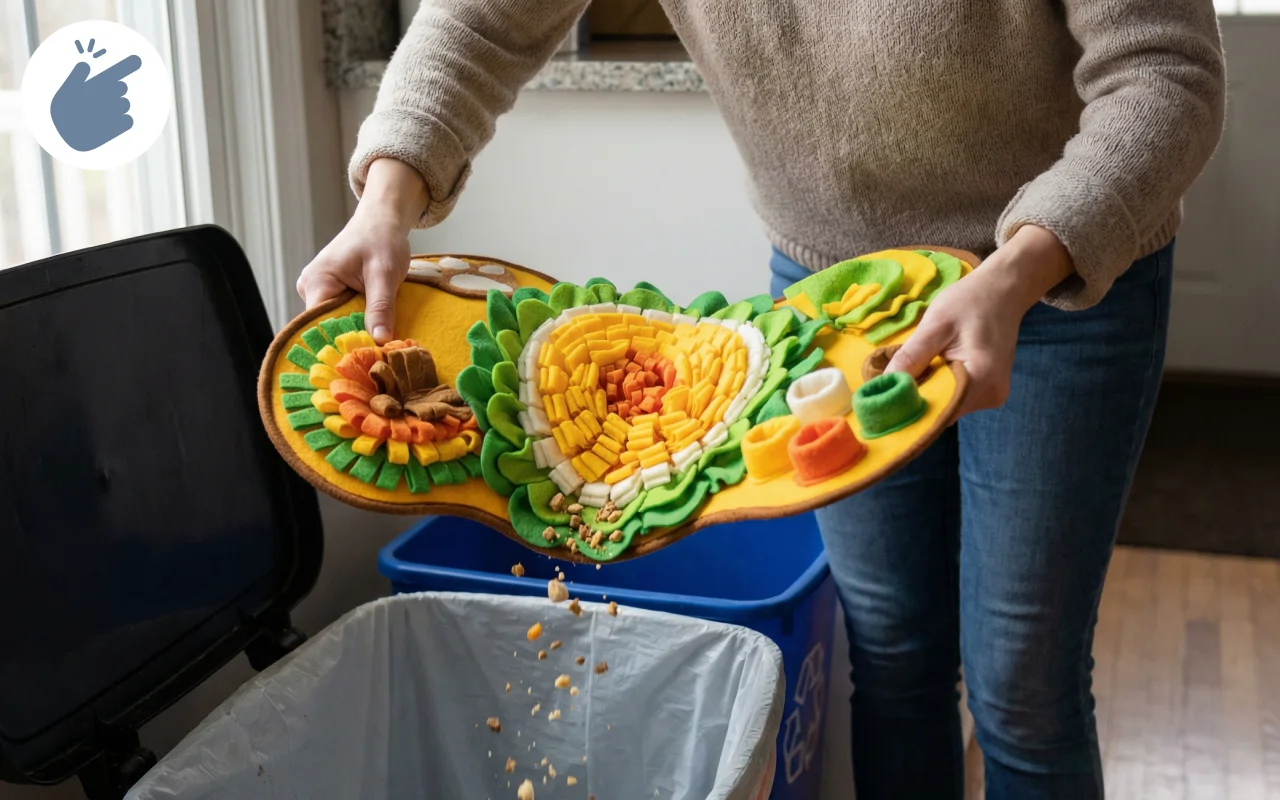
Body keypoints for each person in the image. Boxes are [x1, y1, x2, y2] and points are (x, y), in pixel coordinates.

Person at [298, 1, 1226, 796]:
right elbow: (480, 21)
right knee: (892, 654)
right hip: (830, 296)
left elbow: (1166, 74)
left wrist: (1019, 269)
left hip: (1056, 280)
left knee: (1023, 686)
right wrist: (386, 199)